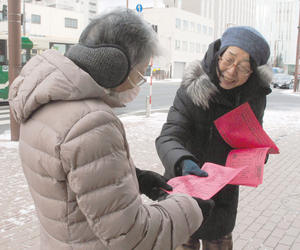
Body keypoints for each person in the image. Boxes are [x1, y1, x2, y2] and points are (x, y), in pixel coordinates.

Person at [9, 7, 214, 250]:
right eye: (139, 73)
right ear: (114, 64)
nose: (139, 82)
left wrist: (134, 177)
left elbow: (66, 174)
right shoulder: (91, 122)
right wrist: (190, 207)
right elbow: (131, 235)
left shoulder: (44, 100)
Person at [155, 26, 273, 250]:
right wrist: (182, 161)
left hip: (222, 198)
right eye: (228, 60)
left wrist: (257, 157)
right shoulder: (192, 89)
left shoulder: (253, 97)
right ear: (219, 54)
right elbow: (168, 136)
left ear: (253, 72)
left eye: (244, 68)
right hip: (184, 190)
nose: (231, 72)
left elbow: (251, 141)